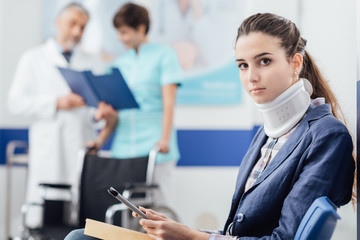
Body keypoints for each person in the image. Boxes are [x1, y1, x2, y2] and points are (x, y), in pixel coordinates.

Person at [64, 12, 355, 240]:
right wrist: (180, 231)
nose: (251, 76)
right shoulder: (269, 134)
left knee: (80, 238)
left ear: (295, 63)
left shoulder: (326, 136)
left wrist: (191, 237)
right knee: (87, 234)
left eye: (264, 61)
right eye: (242, 65)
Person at [7, 3, 114, 228]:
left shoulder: (91, 61)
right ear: (57, 22)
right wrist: (56, 103)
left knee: (78, 218)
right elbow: (15, 103)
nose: (77, 32)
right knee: (46, 218)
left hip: (80, 146)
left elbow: (91, 112)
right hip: (49, 149)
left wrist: (99, 114)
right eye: (72, 24)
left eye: (83, 27)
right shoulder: (34, 58)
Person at [87, 2, 183, 207]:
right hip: (123, 150)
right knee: (123, 210)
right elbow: (115, 113)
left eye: (124, 32)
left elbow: (169, 103)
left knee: (158, 209)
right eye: (118, 33)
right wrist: (100, 141)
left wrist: (165, 139)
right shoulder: (119, 63)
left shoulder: (164, 55)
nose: (120, 38)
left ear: (140, 28)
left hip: (155, 146)